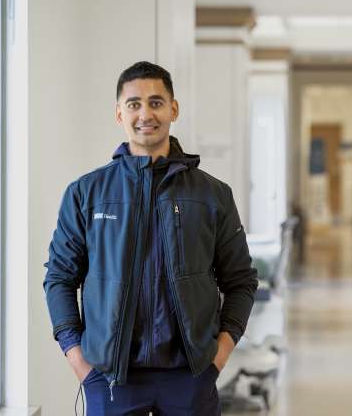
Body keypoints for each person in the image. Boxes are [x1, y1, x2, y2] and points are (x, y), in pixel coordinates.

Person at [43, 61, 258, 415]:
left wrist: (218, 357)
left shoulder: (212, 194)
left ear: (173, 109)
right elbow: (59, 278)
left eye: (156, 102)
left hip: (190, 379)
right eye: (134, 104)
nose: (146, 113)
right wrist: (79, 361)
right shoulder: (86, 193)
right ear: (119, 114)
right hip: (111, 381)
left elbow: (241, 281)